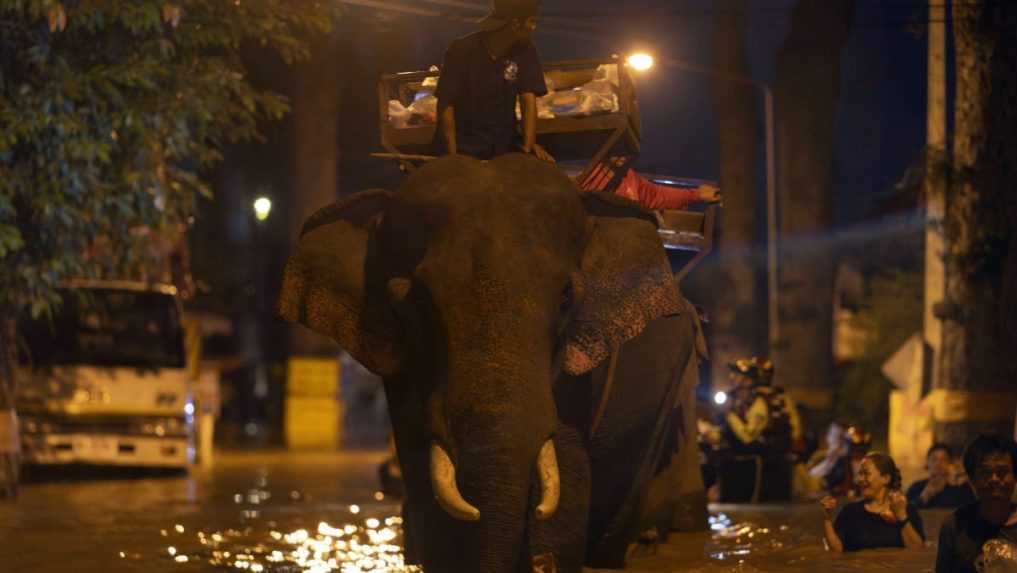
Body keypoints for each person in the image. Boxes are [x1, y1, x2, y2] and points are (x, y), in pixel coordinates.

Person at [433, 0, 554, 162]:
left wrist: (528, 147)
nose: (534, 28)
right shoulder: (462, 50)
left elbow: (528, 98)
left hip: (504, 145)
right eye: (532, 21)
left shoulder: (525, 50)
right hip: (465, 145)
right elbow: (446, 103)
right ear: (515, 24)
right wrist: (453, 157)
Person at [720, 357, 801, 502]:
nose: (731, 378)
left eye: (737, 375)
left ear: (749, 380)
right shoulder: (740, 399)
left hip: (763, 464)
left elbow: (748, 436)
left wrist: (729, 415)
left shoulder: (762, 400)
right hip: (747, 463)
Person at [936, 435, 1017, 573]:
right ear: (972, 479)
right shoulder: (955, 525)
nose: (994, 479)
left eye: (1002, 472)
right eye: (985, 472)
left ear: (1015, 477)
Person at [820, 451, 925, 552]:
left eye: (866, 474)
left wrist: (901, 516)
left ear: (885, 478)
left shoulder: (907, 510)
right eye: (859, 474)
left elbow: (917, 550)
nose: (859, 479)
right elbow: (836, 551)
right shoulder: (850, 512)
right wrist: (827, 519)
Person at [579, 155, 721, 210]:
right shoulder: (589, 176)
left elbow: (657, 195)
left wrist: (697, 194)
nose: (624, 154)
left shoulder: (630, 177)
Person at [908, 443, 977, 509]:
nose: (938, 463)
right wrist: (923, 498)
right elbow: (904, 513)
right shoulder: (916, 487)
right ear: (927, 463)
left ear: (950, 463)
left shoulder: (961, 489)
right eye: (934, 459)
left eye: (943, 459)